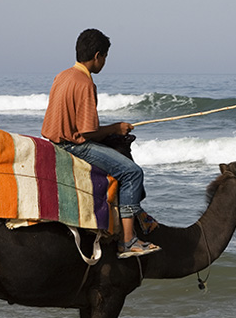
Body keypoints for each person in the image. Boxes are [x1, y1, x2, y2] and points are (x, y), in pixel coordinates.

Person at [41, 28, 160, 258]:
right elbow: (88, 132)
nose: (104, 62)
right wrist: (117, 128)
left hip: (55, 142)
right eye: (104, 57)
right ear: (97, 56)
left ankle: (135, 216)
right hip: (75, 146)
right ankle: (128, 241)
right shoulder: (85, 82)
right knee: (133, 172)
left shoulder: (62, 75)